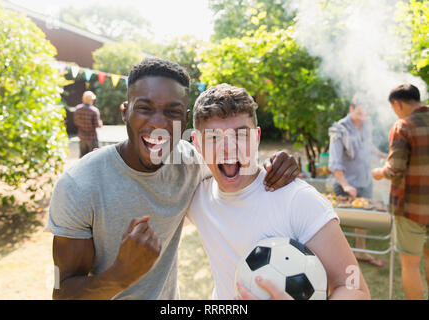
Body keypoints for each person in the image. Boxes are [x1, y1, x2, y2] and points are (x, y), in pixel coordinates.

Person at [46, 58, 299, 300]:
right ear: (125, 112)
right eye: (144, 108)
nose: (158, 123)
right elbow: (62, 292)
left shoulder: (190, 164)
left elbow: (236, 167)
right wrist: (120, 275)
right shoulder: (79, 185)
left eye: (172, 112)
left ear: (184, 118)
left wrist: (279, 163)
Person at [187, 84, 370, 300]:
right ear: (197, 144)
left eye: (241, 135)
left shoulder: (298, 199)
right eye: (214, 138)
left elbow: (355, 288)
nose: (229, 147)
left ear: (256, 137)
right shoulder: (197, 197)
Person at [372, 84, 429, 300]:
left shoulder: (404, 126)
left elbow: (395, 170)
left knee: (410, 264)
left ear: (399, 104)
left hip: (411, 208)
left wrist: (379, 172)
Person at [328, 97, 385, 267]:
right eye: (359, 113)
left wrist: (381, 155)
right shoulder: (339, 130)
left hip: (364, 179)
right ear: (351, 108)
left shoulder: (367, 124)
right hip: (346, 183)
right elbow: (335, 162)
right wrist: (345, 185)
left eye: (366, 113)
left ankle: (360, 251)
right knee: (339, 222)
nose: (362, 117)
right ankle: (338, 258)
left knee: (363, 219)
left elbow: (368, 145)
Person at [73, 91, 103, 158]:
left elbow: (76, 122)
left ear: (83, 98)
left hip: (82, 137)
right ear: (91, 100)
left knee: (82, 158)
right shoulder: (94, 110)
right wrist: (101, 123)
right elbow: (97, 125)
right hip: (92, 138)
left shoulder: (77, 109)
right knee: (94, 157)